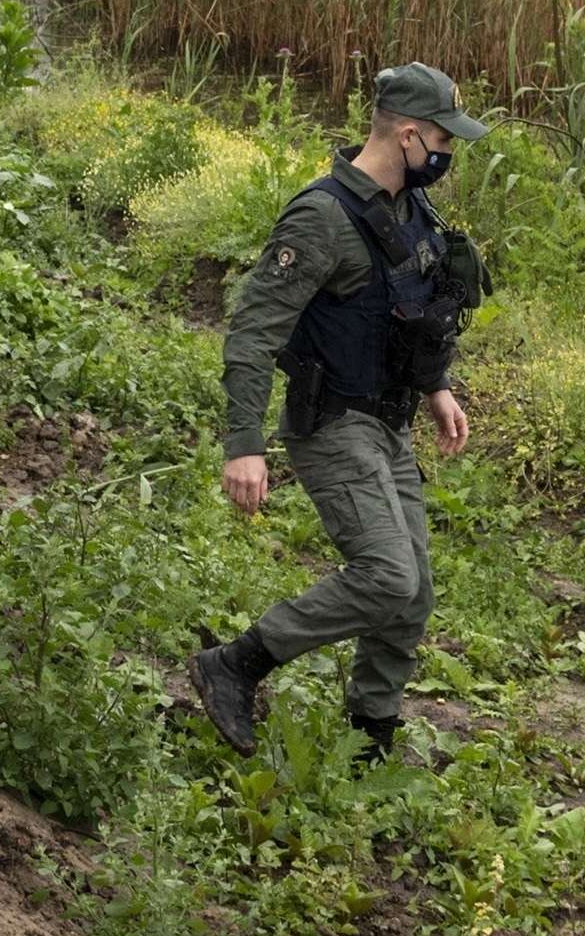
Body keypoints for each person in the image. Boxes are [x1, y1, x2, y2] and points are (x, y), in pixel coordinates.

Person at [190, 63, 489, 760]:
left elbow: (412, 312)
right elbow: (252, 333)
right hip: (331, 425)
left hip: (388, 423)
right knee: (388, 575)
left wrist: (437, 386)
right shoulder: (322, 217)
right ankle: (235, 664)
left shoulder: (411, 210)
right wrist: (244, 444)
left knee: (411, 595)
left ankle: (370, 738)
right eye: (445, 140)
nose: (449, 155)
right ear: (409, 135)